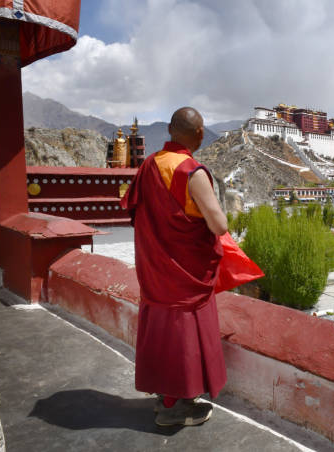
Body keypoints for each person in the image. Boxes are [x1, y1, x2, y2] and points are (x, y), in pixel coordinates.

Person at [121, 107, 228, 426]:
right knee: (183, 337)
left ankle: (164, 398)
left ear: (169, 130)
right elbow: (219, 225)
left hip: (155, 269)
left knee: (162, 332)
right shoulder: (191, 172)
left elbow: (137, 212)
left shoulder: (149, 165)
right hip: (186, 273)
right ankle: (174, 407)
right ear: (199, 134)